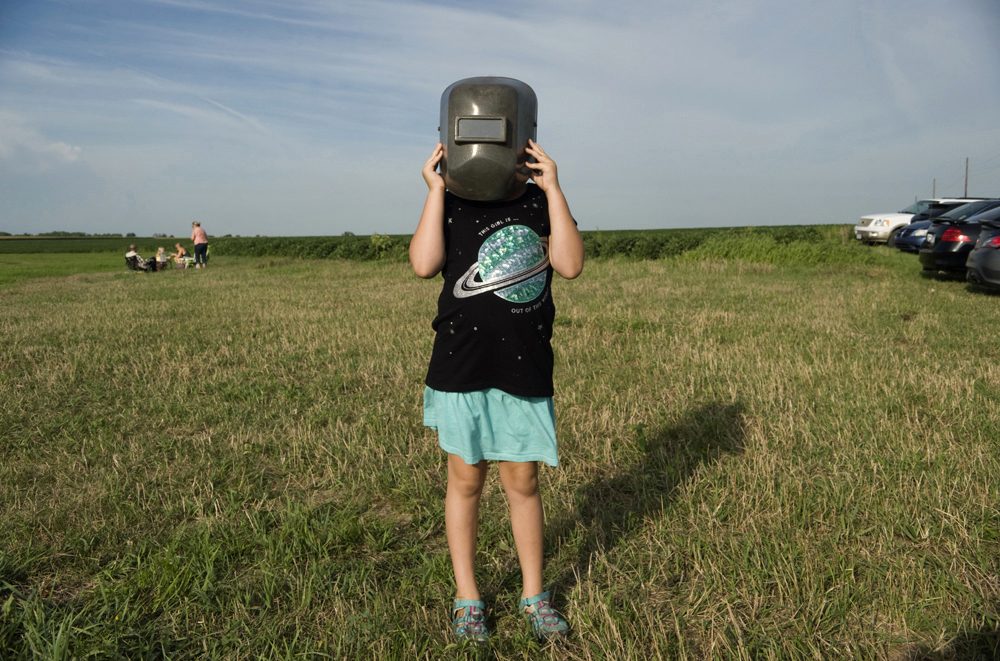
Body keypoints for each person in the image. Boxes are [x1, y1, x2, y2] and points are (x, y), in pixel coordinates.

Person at [410, 78, 584, 647]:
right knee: (465, 482)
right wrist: (435, 191)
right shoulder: (453, 203)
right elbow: (423, 264)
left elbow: (570, 264)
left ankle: (535, 595)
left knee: (523, 481)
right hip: (462, 367)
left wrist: (554, 188)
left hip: (524, 368)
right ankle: (469, 597)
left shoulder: (537, 199)